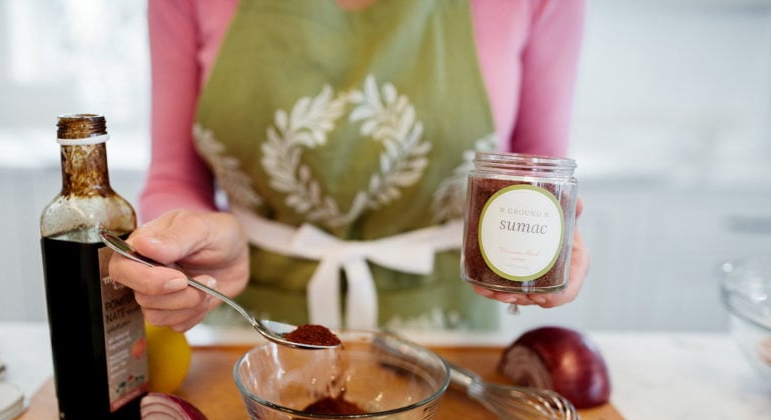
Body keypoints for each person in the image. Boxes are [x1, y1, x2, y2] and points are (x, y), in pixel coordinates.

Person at [109, 0, 590, 333]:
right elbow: (176, 178)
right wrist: (183, 240)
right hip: (254, 327)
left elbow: (539, 176)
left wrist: (547, 245)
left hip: (453, 332)